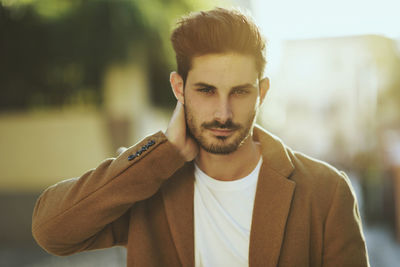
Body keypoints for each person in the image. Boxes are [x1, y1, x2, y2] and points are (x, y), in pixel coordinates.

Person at [32, 7, 370, 267]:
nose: (223, 113)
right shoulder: (145, 180)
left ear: (262, 93)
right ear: (179, 88)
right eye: (206, 91)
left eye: (239, 92)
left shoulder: (326, 192)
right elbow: (51, 232)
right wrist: (165, 151)